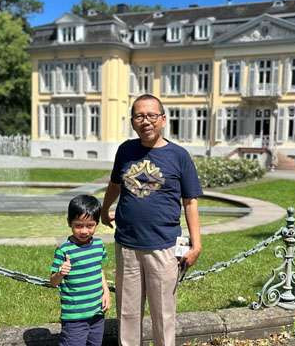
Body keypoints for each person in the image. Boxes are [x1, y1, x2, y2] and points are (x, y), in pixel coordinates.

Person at [101, 94, 203, 346]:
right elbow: (115, 185)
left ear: (163, 119)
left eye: (151, 115)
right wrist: (104, 210)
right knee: (128, 314)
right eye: (139, 116)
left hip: (165, 248)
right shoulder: (125, 150)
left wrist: (196, 245)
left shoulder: (179, 156)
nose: (145, 121)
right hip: (127, 245)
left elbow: (190, 202)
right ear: (133, 121)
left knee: (163, 315)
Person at [50, 195, 111, 346]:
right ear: (69, 222)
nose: (84, 231)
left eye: (90, 225)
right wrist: (60, 273)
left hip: (97, 314)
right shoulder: (64, 250)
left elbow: (99, 269)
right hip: (75, 317)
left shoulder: (98, 245)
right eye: (78, 225)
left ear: (97, 223)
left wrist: (106, 292)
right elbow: (53, 281)